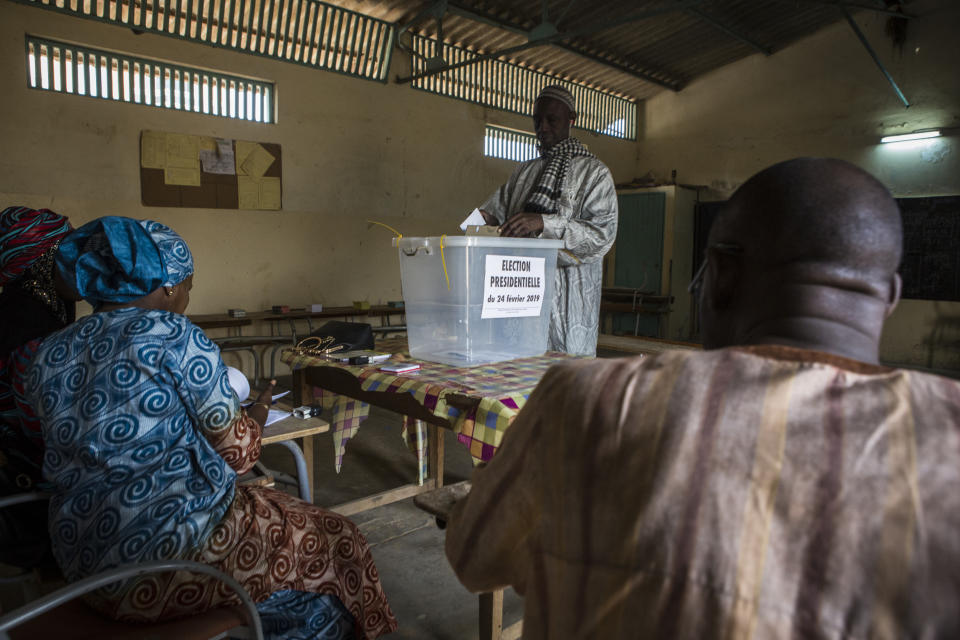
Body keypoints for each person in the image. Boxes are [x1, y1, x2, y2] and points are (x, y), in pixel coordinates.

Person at [445, 158, 960, 638]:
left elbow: (474, 555)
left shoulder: (586, 398)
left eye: (551, 116)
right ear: (890, 297)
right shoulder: (948, 437)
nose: (543, 123)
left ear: (718, 275)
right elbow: (480, 216)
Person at [23, 217, 397, 639]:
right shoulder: (175, 336)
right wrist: (255, 413)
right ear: (169, 286)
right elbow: (238, 456)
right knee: (338, 538)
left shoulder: (51, 351)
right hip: (168, 557)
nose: (185, 297)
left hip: (80, 555)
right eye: (188, 286)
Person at [478, 84, 618, 356]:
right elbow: (496, 212)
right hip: (521, 305)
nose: (542, 127)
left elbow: (602, 236)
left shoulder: (594, 174)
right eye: (537, 120)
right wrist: (482, 220)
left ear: (571, 120)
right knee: (520, 380)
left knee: (568, 388)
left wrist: (544, 223)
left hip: (570, 310)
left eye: (551, 120)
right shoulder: (524, 173)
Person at [0, 206, 76, 568]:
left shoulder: (38, 311)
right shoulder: (26, 330)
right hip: (30, 496)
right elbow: (51, 431)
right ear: (43, 260)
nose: (83, 262)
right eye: (70, 250)